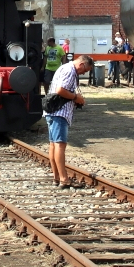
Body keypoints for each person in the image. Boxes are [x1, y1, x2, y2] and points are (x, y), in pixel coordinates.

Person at [44, 54, 94, 187]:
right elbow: (61, 90)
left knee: (53, 145)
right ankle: (64, 179)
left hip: (54, 111)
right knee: (60, 145)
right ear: (82, 65)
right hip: (59, 113)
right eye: (85, 70)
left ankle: (56, 177)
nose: (84, 73)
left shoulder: (64, 67)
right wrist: (76, 97)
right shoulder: (70, 71)